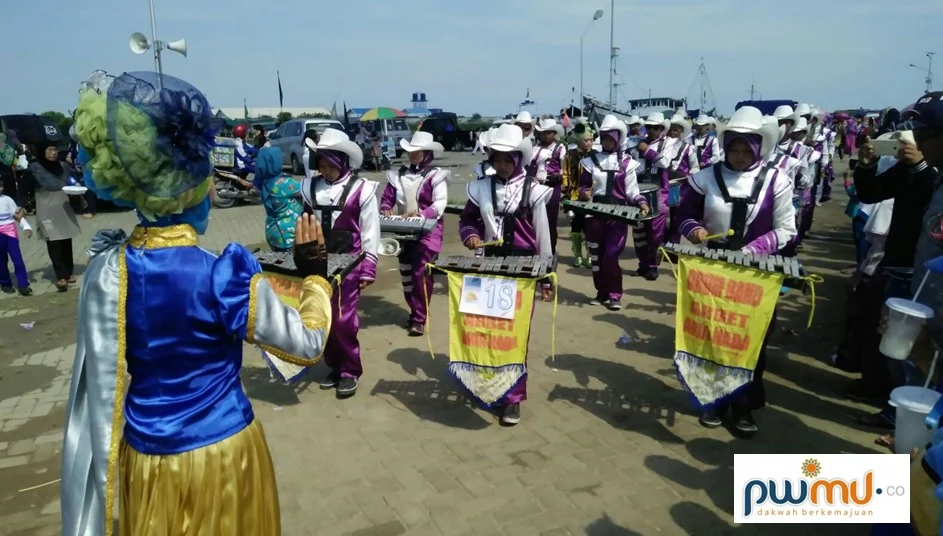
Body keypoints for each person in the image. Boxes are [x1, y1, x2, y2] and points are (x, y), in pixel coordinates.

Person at [63, 70, 336, 536]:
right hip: (223, 455)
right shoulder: (222, 272)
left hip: (145, 457)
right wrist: (314, 278)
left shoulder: (109, 271)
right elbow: (304, 345)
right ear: (193, 179)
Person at [676, 106, 797, 435]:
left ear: (759, 146)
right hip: (713, 270)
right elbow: (683, 213)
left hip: (756, 273)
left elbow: (787, 229)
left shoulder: (778, 180)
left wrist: (754, 249)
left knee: (751, 341)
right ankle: (713, 400)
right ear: (725, 146)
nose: (740, 155)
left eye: (747, 148)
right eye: (734, 148)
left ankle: (744, 407)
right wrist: (694, 230)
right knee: (713, 335)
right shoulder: (704, 177)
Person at [852, 92, 942, 426]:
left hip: (926, 279)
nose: (914, 140)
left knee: (917, 353)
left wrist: (920, 164)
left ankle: (908, 419)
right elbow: (870, 193)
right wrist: (866, 165)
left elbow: (928, 192)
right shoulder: (909, 170)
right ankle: (898, 408)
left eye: (922, 134)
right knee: (894, 345)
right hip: (899, 264)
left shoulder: (930, 173)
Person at [458, 123, 553, 425]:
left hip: (522, 272)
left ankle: (512, 398)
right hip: (486, 267)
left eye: (506, 159)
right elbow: (467, 221)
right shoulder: (480, 187)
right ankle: (489, 385)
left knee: (513, 337)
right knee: (486, 330)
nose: (500, 164)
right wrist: (471, 236)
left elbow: (543, 234)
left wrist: (546, 275)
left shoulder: (536, 191)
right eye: (496, 158)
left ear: (518, 159)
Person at [301, 128, 379, 398]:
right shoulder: (310, 187)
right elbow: (305, 224)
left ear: (342, 162)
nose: (325, 171)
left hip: (350, 266)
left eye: (330, 165)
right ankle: (334, 366)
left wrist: (368, 267)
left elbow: (370, 231)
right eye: (320, 165)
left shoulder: (364, 189)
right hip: (319, 264)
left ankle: (350, 371)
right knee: (324, 318)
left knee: (344, 320)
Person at [380, 131, 449, 336]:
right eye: (411, 151)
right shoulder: (397, 175)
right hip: (403, 229)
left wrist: (423, 214)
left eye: (418, 152)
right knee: (406, 273)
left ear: (427, 153)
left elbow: (440, 203)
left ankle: (420, 317)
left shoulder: (436, 175)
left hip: (429, 230)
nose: (414, 155)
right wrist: (385, 207)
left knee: (421, 272)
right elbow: (387, 198)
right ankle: (414, 309)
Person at [580, 115, 650, 309]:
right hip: (594, 215)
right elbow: (584, 186)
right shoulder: (589, 161)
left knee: (611, 255)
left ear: (618, 139)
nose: (607, 142)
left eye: (611, 138)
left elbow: (633, 191)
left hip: (618, 216)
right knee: (596, 256)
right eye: (604, 138)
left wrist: (641, 202)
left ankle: (614, 294)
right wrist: (585, 193)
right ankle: (601, 292)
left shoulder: (627, 163)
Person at [27, 140, 81, 291]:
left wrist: (76, 185)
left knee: (65, 240)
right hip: (46, 210)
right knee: (54, 242)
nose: (53, 153)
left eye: (55, 150)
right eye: (50, 150)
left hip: (64, 207)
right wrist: (20, 206)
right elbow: (24, 188)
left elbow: (74, 178)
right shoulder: (34, 169)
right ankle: (60, 276)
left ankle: (68, 272)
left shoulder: (63, 166)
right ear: (42, 152)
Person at [528, 119, 567, 253]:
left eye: (548, 133)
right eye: (543, 133)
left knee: (550, 220)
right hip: (536, 187)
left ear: (554, 133)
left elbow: (564, 170)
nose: (545, 135)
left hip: (552, 186)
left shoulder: (560, 148)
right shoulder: (535, 148)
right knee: (535, 219)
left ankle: (551, 249)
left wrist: (558, 177)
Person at [561, 122, 597, 267]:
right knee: (576, 226)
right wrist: (567, 193)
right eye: (586, 140)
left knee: (590, 227)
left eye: (591, 140)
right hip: (574, 196)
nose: (589, 143)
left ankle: (590, 255)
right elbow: (566, 175)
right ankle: (578, 255)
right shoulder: (570, 155)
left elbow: (598, 176)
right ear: (578, 141)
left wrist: (591, 191)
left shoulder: (595, 155)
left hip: (591, 196)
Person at [256, 146, 303, 252]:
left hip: (272, 231)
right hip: (287, 236)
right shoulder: (284, 184)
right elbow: (309, 190)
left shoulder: (264, 183)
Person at [0, 180, 32, 295]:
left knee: (17, 258)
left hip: (10, 233)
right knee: (1, 261)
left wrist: (26, 227)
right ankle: (5, 283)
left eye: (1, 186)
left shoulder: (7, 199)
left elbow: (17, 215)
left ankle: (23, 284)